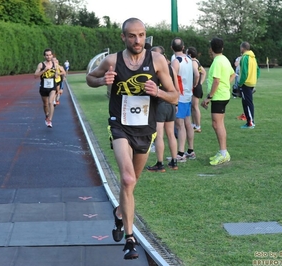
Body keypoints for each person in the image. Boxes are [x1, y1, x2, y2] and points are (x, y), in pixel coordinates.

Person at [85, 18, 178, 260]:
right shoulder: (112, 60)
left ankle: (119, 212)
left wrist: (157, 91)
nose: (137, 40)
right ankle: (130, 239)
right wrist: (100, 81)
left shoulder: (157, 60)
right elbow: (90, 78)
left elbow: (175, 96)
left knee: (132, 182)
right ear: (123, 37)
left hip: (145, 130)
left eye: (141, 35)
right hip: (120, 127)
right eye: (132, 36)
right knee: (126, 178)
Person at [202, 37, 235, 166]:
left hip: (219, 97)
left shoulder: (217, 62)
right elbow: (232, 75)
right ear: (222, 48)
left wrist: (208, 97)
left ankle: (223, 153)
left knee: (217, 124)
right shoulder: (225, 59)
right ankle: (222, 152)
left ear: (211, 49)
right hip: (222, 95)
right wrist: (226, 85)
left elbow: (216, 81)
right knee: (217, 123)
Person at [147, 46, 180, 172]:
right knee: (171, 134)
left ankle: (160, 164)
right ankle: (174, 161)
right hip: (171, 103)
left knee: (159, 135)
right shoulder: (171, 68)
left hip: (160, 103)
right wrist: (176, 104)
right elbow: (176, 89)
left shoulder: (154, 67)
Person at [171, 38, 199, 161]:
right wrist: (193, 85)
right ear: (183, 47)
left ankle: (181, 153)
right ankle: (190, 150)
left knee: (180, 125)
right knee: (188, 123)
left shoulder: (176, 61)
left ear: (172, 48)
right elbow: (197, 74)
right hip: (188, 94)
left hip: (180, 96)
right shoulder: (189, 59)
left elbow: (173, 80)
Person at [34, 48, 58, 128]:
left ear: (52, 55)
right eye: (47, 55)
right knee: (45, 104)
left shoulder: (55, 64)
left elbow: (57, 74)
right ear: (44, 56)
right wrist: (44, 70)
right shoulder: (41, 64)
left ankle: (49, 120)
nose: (48, 57)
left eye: (50, 55)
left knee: (51, 102)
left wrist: (56, 75)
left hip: (52, 86)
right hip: (43, 87)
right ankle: (47, 116)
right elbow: (35, 75)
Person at [238, 42, 260, 129]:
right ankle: (249, 121)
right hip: (251, 83)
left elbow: (244, 72)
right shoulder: (253, 58)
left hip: (246, 83)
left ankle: (250, 122)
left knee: (247, 103)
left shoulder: (244, 58)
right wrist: (254, 79)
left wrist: (240, 84)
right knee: (246, 102)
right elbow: (258, 70)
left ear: (243, 48)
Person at [186, 47, 206, 133]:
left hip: (195, 87)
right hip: (197, 86)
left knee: (195, 106)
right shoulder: (197, 61)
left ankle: (198, 126)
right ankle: (194, 125)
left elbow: (197, 75)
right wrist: (200, 83)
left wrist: (195, 84)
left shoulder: (193, 62)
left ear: (190, 55)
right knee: (193, 107)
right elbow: (204, 72)